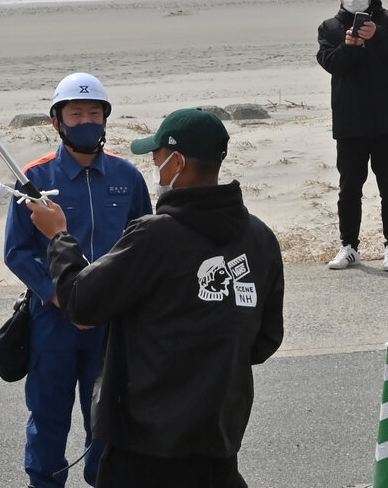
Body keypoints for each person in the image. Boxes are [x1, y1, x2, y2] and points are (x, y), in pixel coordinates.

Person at [28, 109, 283, 488]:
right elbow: (265, 340)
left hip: (145, 444)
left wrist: (59, 237)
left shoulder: (156, 236)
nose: (157, 169)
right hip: (218, 436)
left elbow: (82, 300)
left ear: (177, 161)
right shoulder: (260, 238)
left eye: (158, 159)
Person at [3, 72, 153, 488]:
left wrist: (113, 301)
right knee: (48, 415)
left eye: (93, 113)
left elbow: (145, 246)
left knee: (106, 417)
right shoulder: (35, 180)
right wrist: (59, 298)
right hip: (52, 321)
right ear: (57, 121)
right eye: (75, 113)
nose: (85, 120)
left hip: (109, 322)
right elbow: (17, 252)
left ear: (105, 119)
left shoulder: (128, 177)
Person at [318, 0, 388, 271]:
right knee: (349, 187)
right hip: (350, 123)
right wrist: (351, 47)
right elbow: (332, 64)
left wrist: (377, 35)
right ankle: (349, 247)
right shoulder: (329, 28)